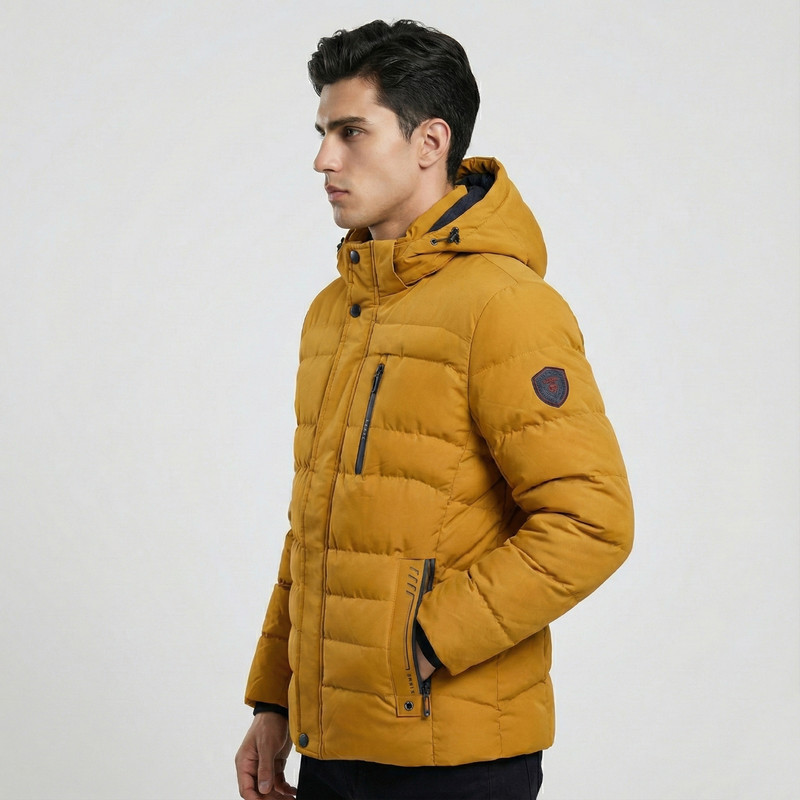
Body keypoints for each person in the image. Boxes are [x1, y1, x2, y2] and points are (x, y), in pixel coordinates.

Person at [235, 19, 634, 800]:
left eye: (351, 132)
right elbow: (313, 529)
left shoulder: (505, 306)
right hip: (334, 741)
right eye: (322, 133)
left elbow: (592, 521)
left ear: (430, 141)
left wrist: (423, 642)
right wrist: (274, 699)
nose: (323, 159)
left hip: (455, 758)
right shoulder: (334, 313)